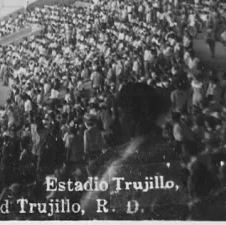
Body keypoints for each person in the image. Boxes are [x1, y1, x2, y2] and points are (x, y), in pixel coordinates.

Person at [81, 83, 189, 219]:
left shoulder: (122, 167)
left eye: (120, 114)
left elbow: (87, 207)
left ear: (133, 117)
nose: (117, 120)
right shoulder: (165, 148)